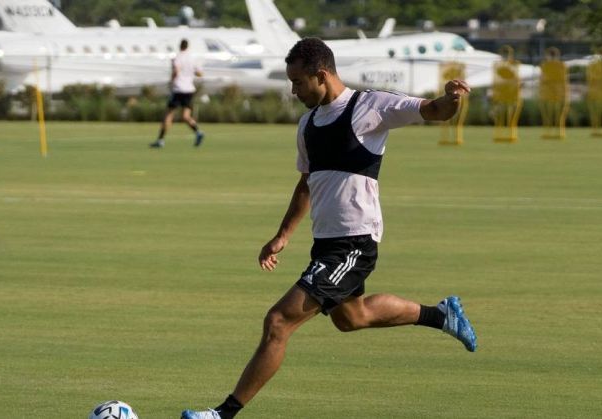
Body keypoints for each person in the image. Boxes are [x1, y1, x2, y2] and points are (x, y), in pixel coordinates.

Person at [180, 37, 477, 419]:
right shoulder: (307, 125)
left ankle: (222, 414)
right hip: (326, 244)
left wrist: (452, 99)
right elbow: (307, 183)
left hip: (354, 242)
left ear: (321, 75)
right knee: (352, 317)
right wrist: (283, 235)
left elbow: (433, 110)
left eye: (298, 82)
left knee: (278, 321)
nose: (293, 90)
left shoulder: (370, 106)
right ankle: (442, 315)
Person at [150, 39, 204, 148]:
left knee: (169, 114)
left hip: (179, 89)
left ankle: (160, 140)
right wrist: (190, 71)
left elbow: (176, 71)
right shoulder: (192, 58)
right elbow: (200, 73)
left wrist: (171, 81)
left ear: (180, 46)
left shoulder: (177, 58)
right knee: (186, 116)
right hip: (189, 90)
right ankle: (198, 132)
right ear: (188, 47)